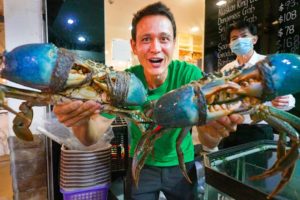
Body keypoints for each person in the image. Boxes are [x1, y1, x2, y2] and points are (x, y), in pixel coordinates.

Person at [53, 2, 244, 199]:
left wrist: (213, 131)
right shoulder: (123, 82)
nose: (155, 48)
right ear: (133, 46)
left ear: (173, 43)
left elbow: (207, 140)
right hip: (141, 166)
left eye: (164, 39)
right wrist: (80, 121)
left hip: (182, 166)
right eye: (146, 39)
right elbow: (90, 137)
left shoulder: (190, 77)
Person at [219, 20, 295, 149]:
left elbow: (289, 99)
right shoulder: (226, 69)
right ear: (230, 44)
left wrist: (285, 101)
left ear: (254, 40)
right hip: (230, 128)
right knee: (225, 167)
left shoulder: (268, 64)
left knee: (255, 168)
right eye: (234, 38)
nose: (239, 40)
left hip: (259, 129)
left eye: (244, 36)